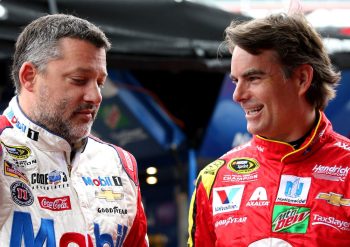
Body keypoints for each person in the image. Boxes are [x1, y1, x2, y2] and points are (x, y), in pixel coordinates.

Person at [188, 12, 350, 247]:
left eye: (253, 78)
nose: (238, 95)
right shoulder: (214, 179)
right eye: (235, 81)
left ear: (302, 78)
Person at [0, 14, 149, 246]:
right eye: (79, 80)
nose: (96, 96)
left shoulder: (119, 163)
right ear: (29, 77)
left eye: (100, 82)